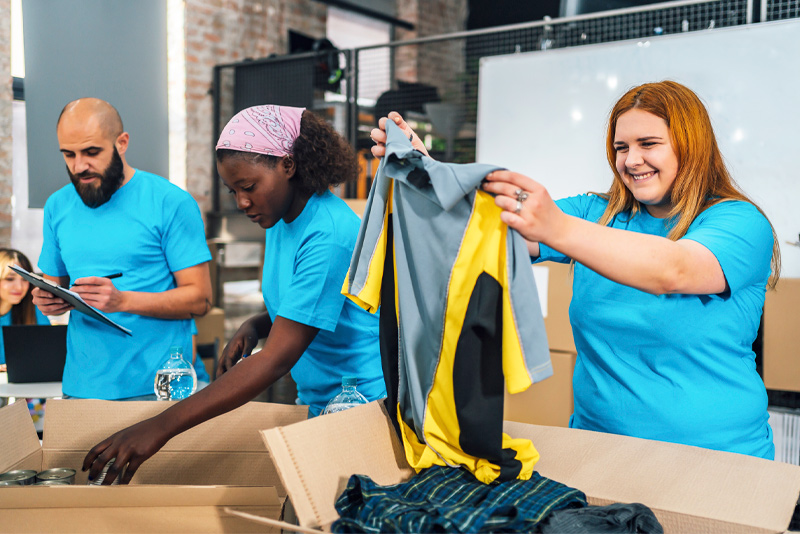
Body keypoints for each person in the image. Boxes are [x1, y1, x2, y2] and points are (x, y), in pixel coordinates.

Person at [370, 80, 780, 460]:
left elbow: (675, 270)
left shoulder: (739, 222)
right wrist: (430, 175)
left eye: (648, 144)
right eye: (621, 147)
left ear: (691, 146)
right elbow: (488, 228)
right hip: (597, 451)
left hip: (716, 460)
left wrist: (558, 227)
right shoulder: (597, 213)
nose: (631, 160)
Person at [82, 104, 385, 484]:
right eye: (233, 190)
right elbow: (313, 306)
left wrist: (158, 427)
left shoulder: (328, 233)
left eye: (248, 187)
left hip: (359, 407)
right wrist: (257, 323)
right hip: (317, 403)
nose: (242, 203)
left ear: (288, 165)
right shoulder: (281, 217)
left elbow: (275, 361)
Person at [31, 98, 212, 401]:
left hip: (159, 392)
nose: (79, 166)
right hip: (81, 388)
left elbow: (201, 300)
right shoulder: (57, 206)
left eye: (91, 152)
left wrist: (122, 300)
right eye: (69, 154)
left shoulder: (170, 202)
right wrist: (49, 298)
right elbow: (55, 284)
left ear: (122, 143)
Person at [0, 249, 51, 373]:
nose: (19, 287)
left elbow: (48, 356)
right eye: (10, 279)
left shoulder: (34, 311)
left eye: (24, 279)